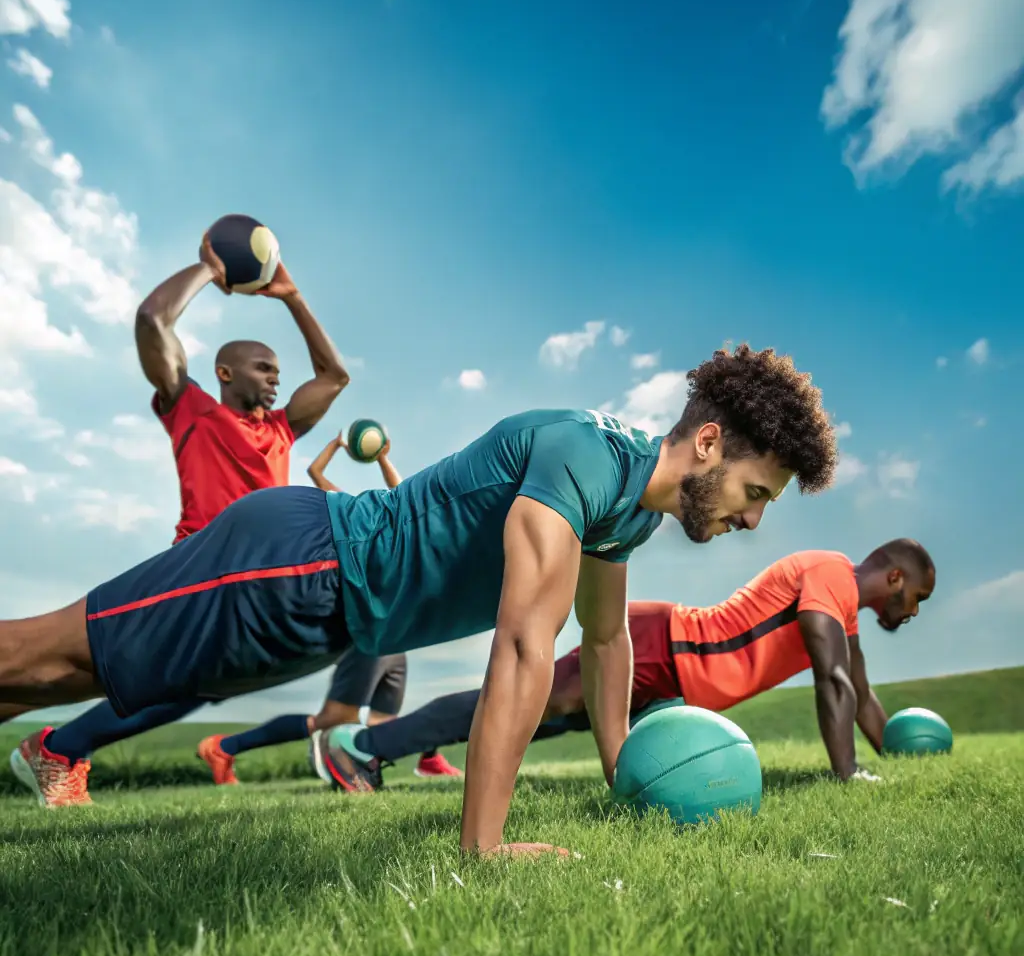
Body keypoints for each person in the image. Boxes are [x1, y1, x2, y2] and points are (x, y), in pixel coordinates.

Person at [0, 344, 838, 855]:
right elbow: (522, 645)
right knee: (40, 657)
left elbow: (608, 639)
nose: (754, 518)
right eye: (755, 489)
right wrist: (485, 845)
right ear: (707, 443)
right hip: (299, 562)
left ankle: (46, 749)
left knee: (62, 682)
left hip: (327, 617)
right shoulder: (588, 455)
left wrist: (623, 772)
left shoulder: (630, 516)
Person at [9, 234, 348, 808]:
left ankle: (59, 748)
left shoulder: (282, 431)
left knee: (191, 682)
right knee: (90, 668)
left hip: (257, 581)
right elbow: (152, 319)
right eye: (263, 368)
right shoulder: (192, 407)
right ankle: (58, 748)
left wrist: (291, 298)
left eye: (276, 371)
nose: (274, 378)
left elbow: (334, 377)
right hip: (196, 569)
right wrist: (207, 271)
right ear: (224, 372)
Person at [316, 541, 935, 789]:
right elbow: (832, 680)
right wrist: (847, 774)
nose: (912, 613)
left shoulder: (847, 610)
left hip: (673, 687)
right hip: (660, 643)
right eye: (916, 599)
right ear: (896, 577)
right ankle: (360, 748)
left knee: (546, 722)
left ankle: (373, 748)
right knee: (527, 702)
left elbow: (858, 688)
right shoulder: (832, 574)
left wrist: (894, 754)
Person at [196, 432, 461, 783]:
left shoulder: (406, 530)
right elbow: (315, 472)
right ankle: (226, 746)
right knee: (331, 720)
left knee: (385, 725)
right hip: (370, 636)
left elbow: (402, 493)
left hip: (395, 644)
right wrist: (338, 444)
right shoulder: (361, 533)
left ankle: (426, 758)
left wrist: (382, 457)